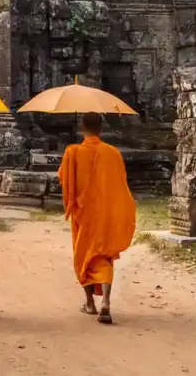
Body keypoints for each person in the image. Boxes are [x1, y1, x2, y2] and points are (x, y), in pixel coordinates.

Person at [57, 111, 136, 324]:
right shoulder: (113, 153)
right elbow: (121, 184)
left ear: (82, 128)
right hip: (106, 212)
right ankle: (106, 301)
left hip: (84, 214)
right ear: (101, 129)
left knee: (84, 255)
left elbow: (64, 180)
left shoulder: (72, 152)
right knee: (103, 256)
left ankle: (90, 303)